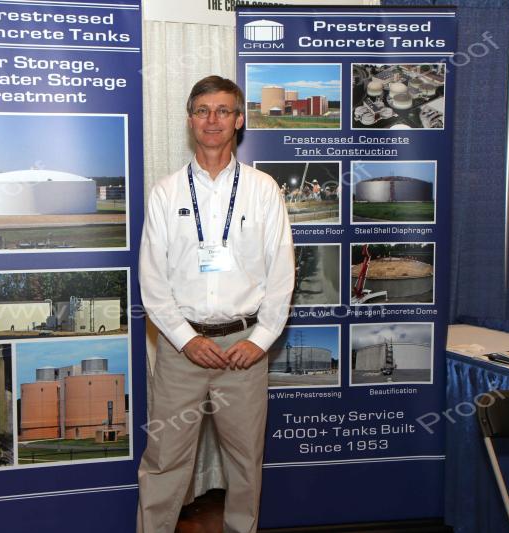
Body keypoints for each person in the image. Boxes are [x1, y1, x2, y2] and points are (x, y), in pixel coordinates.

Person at [137, 75, 295, 533]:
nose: (212, 120)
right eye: (202, 110)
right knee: (164, 459)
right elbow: (152, 278)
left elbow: (282, 273)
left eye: (223, 110)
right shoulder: (166, 192)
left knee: (246, 461)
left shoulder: (263, 189)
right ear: (190, 120)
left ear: (239, 120)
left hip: (243, 350)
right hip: (181, 349)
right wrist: (185, 339)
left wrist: (261, 340)